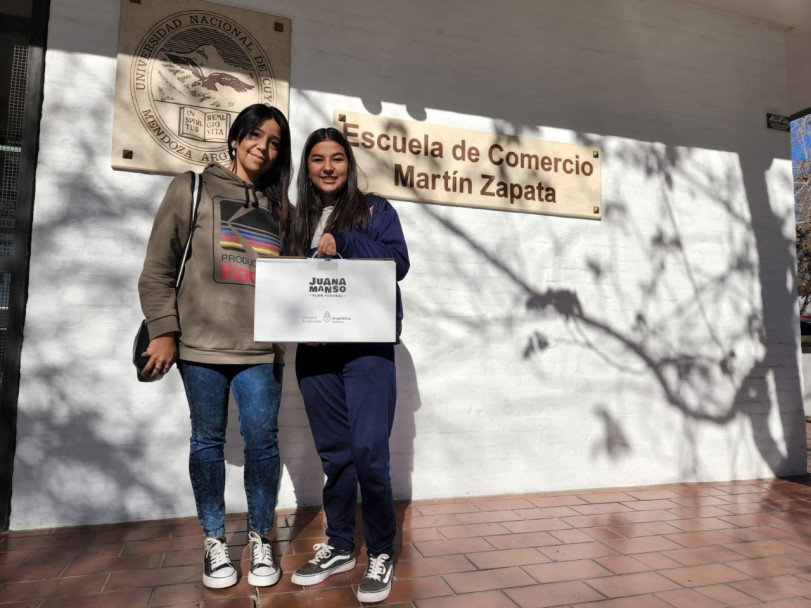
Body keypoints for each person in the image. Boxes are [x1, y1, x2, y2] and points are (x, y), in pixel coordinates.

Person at [138, 104, 292, 589]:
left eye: (273, 143)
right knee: (206, 441)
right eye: (256, 136)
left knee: (262, 442)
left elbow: (290, 282)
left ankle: (261, 538)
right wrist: (163, 330)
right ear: (236, 138)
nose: (263, 149)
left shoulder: (278, 208)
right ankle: (213, 541)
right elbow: (158, 268)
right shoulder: (192, 187)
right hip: (199, 348)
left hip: (260, 350)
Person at [287, 127, 409, 604]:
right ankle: (340, 545)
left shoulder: (376, 210)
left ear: (349, 163)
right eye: (318, 159)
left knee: (370, 454)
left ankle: (379, 551)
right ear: (308, 167)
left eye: (337, 158)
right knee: (336, 456)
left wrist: (347, 240)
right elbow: (288, 281)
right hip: (316, 350)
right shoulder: (297, 218)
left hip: (367, 349)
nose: (328, 167)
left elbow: (398, 264)